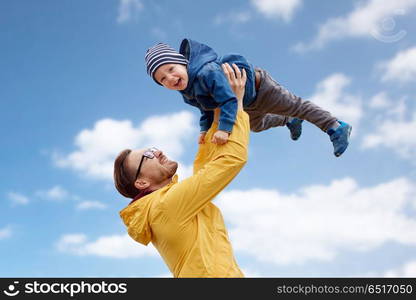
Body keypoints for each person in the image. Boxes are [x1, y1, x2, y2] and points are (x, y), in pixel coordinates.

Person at [114, 63, 249, 277]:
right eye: (148, 155)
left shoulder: (166, 205)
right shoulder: (165, 206)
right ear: (142, 183)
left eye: (152, 149)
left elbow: (205, 170)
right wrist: (237, 105)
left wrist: (218, 112)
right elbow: (230, 161)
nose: (157, 153)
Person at [144, 39, 352, 157]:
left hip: (260, 88)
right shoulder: (187, 91)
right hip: (245, 103)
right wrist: (204, 129)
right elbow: (206, 109)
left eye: (171, 69)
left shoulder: (207, 72)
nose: (170, 78)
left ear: (183, 63)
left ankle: (334, 126)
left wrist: (224, 130)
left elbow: (228, 101)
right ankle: (289, 121)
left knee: (296, 106)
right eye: (162, 79)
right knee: (256, 125)